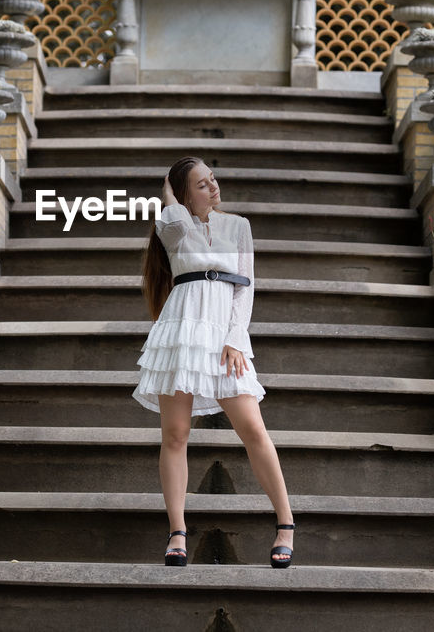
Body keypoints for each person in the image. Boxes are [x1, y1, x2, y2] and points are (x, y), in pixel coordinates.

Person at [134, 156, 296, 568]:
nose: (214, 188)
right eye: (202, 185)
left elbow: (246, 289)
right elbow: (175, 226)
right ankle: (177, 532)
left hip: (225, 334)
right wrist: (170, 195)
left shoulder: (238, 226)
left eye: (213, 180)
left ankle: (285, 524)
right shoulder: (174, 227)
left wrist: (236, 339)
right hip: (183, 330)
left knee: (254, 430)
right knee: (175, 434)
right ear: (184, 194)